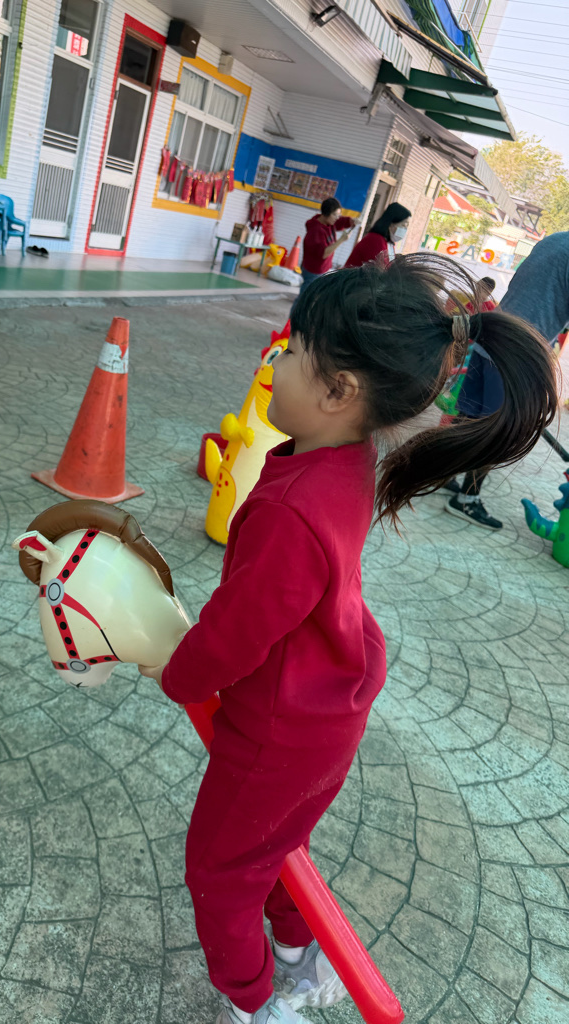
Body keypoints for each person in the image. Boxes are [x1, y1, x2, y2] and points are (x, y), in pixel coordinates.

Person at [140, 254, 558, 1024]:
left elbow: (234, 636)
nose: (274, 364)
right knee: (273, 848)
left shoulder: (289, 511)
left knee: (221, 871)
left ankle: (255, 1004)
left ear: (339, 391)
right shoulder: (342, 457)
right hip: (324, 712)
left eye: (293, 350)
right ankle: (301, 959)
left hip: (276, 730)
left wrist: (176, 672)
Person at [444, 233, 569, 528]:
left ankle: (444, 473)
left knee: (468, 415)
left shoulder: (554, 241)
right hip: (518, 351)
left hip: (492, 334)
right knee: (500, 430)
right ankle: (467, 498)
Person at [300, 197, 355, 286]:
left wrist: (351, 221)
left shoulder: (328, 222)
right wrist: (341, 240)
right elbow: (324, 253)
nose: (337, 218)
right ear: (326, 213)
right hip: (313, 271)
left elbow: (341, 222)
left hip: (323, 269)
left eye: (338, 215)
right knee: (307, 294)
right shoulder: (316, 230)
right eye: (334, 215)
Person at [344, 202, 411, 269]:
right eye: (404, 225)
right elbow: (379, 270)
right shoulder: (375, 240)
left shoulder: (389, 244)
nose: (405, 230)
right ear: (391, 224)